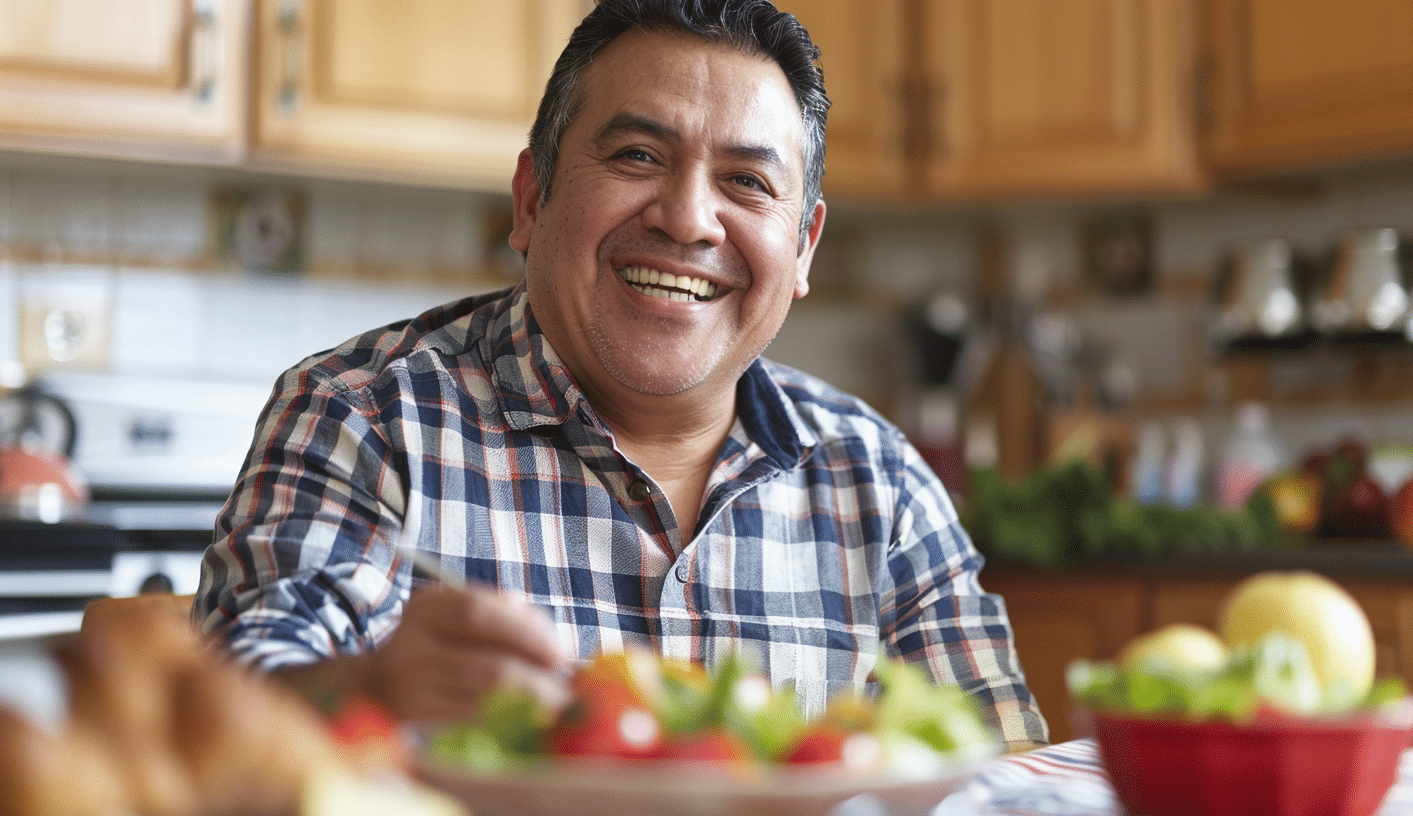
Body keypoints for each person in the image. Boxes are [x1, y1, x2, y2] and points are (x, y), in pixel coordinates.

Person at [194, 0, 1048, 749]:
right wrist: (365, 688)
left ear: (803, 248)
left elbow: (1004, 771)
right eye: (638, 155)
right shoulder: (364, 417)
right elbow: (218, 717)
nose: (686, 218)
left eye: (747, 182)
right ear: (531, 200)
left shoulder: (882, 483)